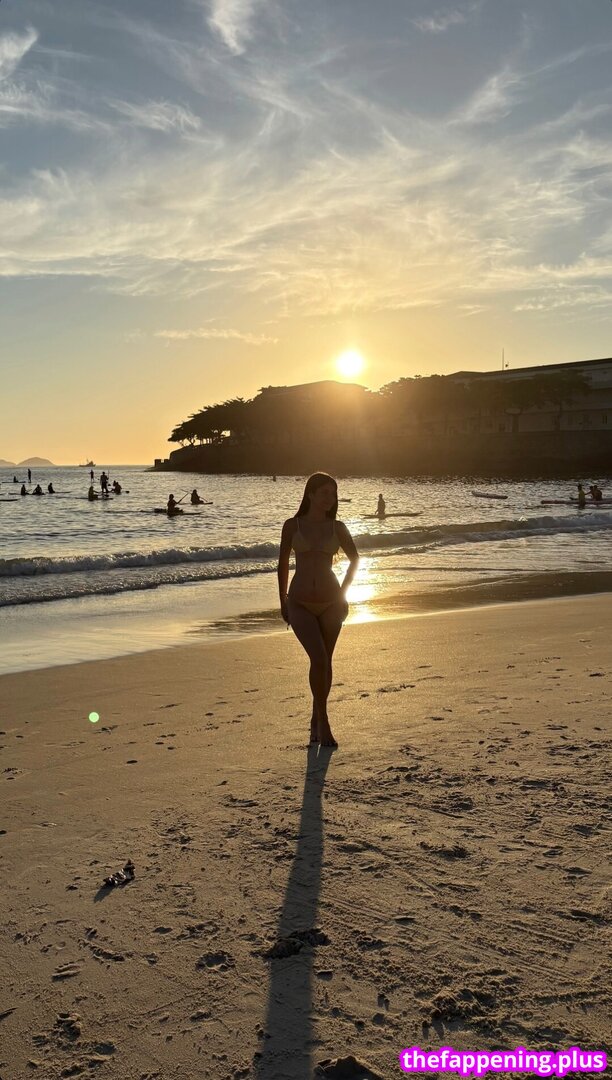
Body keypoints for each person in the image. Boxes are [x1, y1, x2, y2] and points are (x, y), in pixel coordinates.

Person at [277, 472, 359, 748]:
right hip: (299, 602)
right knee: (319, 658)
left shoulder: (338, 527)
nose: (329, 499)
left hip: (332, 603)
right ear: (310, 494)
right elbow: (282, 563)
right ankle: (323, 723)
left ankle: (318, 719)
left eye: (333, 494)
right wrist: (283, 600)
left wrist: (343, 593)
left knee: (325, 661)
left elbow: (355, 559)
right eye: (324, 493)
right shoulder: (292, 525)